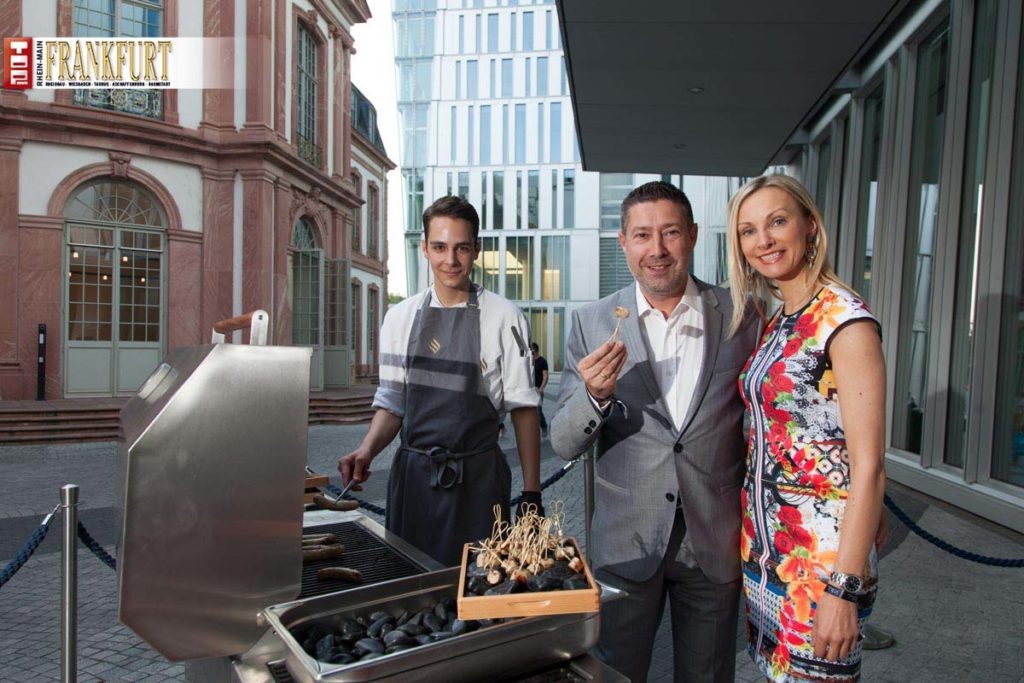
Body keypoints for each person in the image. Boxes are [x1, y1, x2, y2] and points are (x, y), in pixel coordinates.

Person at [550, 181, 761, 682]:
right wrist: (595, 396)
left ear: (691, 235)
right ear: (623, 242)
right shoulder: (591, 321)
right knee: (616, 674)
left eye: (669, 233)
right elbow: (562, 440)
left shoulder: (742, 314)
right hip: (627, 542)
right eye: (642, 235)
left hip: (713, 537)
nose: (657, 249)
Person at [726, 174, 886, 682]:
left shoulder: (845, 319)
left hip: (820, 568)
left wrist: (844, 589)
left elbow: (870, 466)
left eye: (777, 222)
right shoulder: (780, 319)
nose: (764, 241)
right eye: (749, 231)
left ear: (809, 227)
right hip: (768, 558)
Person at [338, 195, 543, 567]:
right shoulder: (399, 317)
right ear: (425, 249)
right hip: (413, 480)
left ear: (477, 250)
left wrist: (531, 491)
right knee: (409, 587)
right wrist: (367, 449)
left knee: (481, 591)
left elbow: (523, 407)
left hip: (479, 480)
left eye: (462, 248)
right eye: (440, 247)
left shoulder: (505, 316)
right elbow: (392, 402)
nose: (451, 260)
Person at [530, 342, 549, 436]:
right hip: (529, 390)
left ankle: (544, 427)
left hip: (538, 390)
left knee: (538, 411)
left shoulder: (542, 361)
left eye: (531, 351)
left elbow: (545, 376)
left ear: (534, 351)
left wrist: (541, 388)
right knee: (529, 412)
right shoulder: (529, 361)